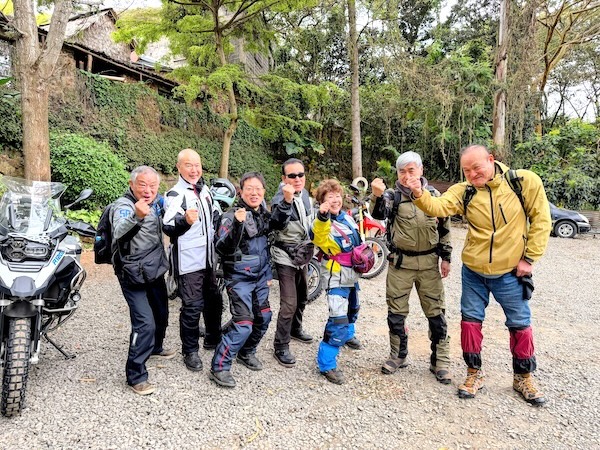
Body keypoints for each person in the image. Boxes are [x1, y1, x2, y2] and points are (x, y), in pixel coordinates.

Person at [405, 144, 552, 405]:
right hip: (474, 272)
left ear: (491, 160)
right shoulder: (465, 191)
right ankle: (474, 373)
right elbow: (438, 206)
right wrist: (418, 192)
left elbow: (541, 220)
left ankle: (523, 377)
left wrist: (529, 258)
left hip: (510, 272)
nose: (472, 174)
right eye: (466, 170)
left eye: (477, 167)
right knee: (470, 323)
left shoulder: (523, 182)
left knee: (520, 324)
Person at [370, 151, 453, 384]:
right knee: (396, 314)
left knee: (436, 314)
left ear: (421, 170)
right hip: (401, 265)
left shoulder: (434, 196)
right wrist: (376, 196)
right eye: (402, 172)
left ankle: (440, 361)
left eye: (411, 170)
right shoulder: (392, 196)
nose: (406, 176)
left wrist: (446, 258)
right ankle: (398, 355)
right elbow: (379, 213)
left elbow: (444, 229)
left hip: (429, 265)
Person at [210, 172, 294, 388]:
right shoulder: (231, 216)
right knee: (244, 324)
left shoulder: (262, 214)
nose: (254, 193)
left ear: (264, 192)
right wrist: (238, 225)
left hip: (260, 278)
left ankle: (246, 352)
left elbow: (277, 223)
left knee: (264, 317)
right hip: (239, 279)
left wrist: (287, 202)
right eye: (249, 189)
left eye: (258, 189)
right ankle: (220, 366)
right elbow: (222, 247)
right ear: (241, 192)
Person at [112, 166, 174, 396]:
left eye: (153, 186)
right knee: (144, 323)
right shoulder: (123, 206)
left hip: (153, 269)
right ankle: (136, 375)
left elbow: (172, 216)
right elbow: (119, 231)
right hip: (132, 274)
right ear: (131, 185)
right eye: (142, 185)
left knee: (161, 314)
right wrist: (137, 216)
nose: (148, 190)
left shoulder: (158, 203)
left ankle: (156, 346)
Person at [163, 149, 223, 372]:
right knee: (192, 307)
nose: (194, 170)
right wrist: (185, 222)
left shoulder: (205, 190)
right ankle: (190, 351)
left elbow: (215, 215)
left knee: (214, 300)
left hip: (207, 259)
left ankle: (213, 339)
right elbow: (168, 227)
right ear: (179, 167)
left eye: (197, 165)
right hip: (188, 262)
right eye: (189, 165)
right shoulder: (175, 194)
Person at [310, 179, 363, 385]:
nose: (335, 200)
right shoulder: (321, 223)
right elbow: (319, 235)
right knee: (337, 320)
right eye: (329, 197)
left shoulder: (346, 217)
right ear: (322, 201)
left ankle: (348, 335)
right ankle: (327, 364)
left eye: (337, 196)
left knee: (353, 308)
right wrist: (323, 217)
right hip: (336, 277)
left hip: (352, 275)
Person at [271, 158, 315, 367]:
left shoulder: (304, 194)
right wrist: (287, 202)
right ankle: (280, 345)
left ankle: (295, 329)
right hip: (285, 254)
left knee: (303, 295)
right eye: (292, 175)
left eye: (301, 174)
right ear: (284, 178)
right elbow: (276, 223)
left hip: (302, 253)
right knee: (289, 303)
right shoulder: (280, 198)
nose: (297, 179)